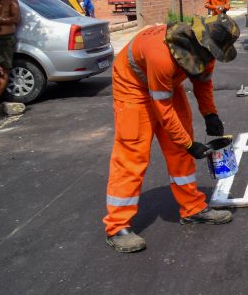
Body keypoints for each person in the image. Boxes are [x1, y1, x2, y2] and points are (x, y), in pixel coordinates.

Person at [103, 14, 240, 253]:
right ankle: (117, 226)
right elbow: (163, 112)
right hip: (133, 87)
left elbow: (203, 82)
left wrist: (210, 114)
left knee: (179, 150)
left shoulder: (210, 49)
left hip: (167, 86)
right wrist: (189, 144)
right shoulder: (162, 55)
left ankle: (193, 209)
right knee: (132, 154)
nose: (211, 59)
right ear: (199, 39)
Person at [0, 0, 20, 108]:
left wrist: (1, 20)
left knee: (4, 71)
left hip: (5, 39)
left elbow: (16, 18)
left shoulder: (10, 1)